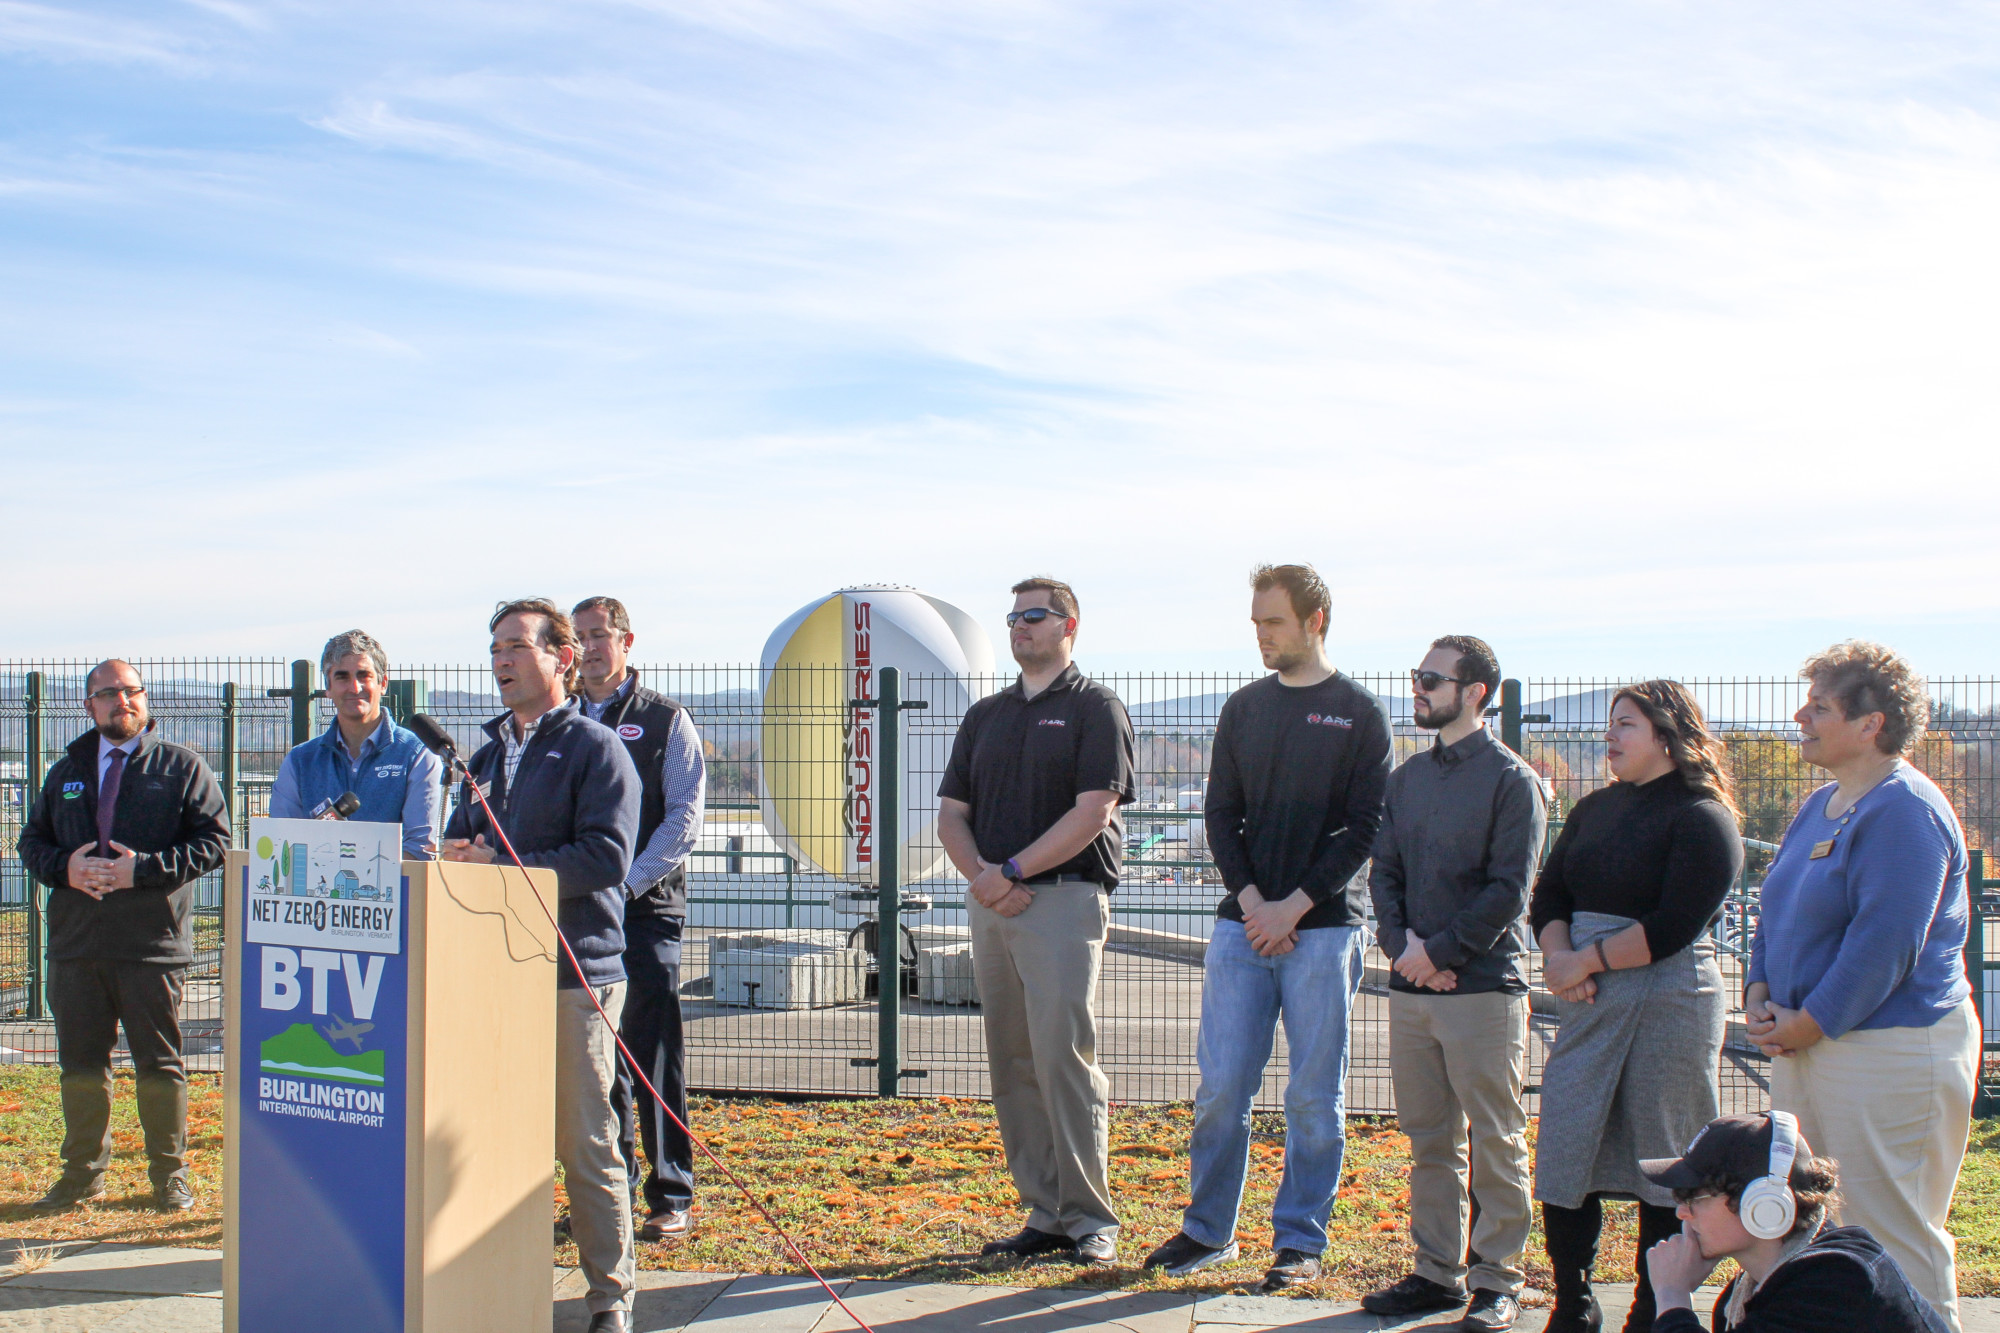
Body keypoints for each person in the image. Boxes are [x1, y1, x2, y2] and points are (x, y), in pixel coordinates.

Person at [1142, 564, 1392, 1292]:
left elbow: (1365, 828)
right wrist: (1254, 901)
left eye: (1273, 622)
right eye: (1255, 621)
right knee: (1222, 1088)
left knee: (1315, 1097)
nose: (1261, 635)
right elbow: (1221, 815)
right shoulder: (1244, 709)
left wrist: (1295, 906)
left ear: (1316, 620)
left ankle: (1298, 1242)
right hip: (1242, 930)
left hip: (1321, 932)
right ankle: (1206, 1230)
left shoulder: (1359, 713)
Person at [1745, 641, 1977, 1333]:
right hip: (1807, 1045)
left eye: (1820, 706)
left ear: (1872, 722)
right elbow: (1774, 907)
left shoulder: (1906, 809)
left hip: (1889, 1049)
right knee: (1820, 1229)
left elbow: (1887, 943)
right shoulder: (1822, 803)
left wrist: (1809, 1021)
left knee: (1891, 1231)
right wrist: (1759, 989)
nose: (1800, 716)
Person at [441, 599, 642, 1333]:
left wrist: (505, 863)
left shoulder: (595, 747)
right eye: (494, 647)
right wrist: (460, 856)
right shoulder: (487, 756)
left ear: (562, 656)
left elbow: (606, 857)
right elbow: (468, 837)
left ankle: (608, 1298)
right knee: (495, 1140)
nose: (501, 660)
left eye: (517, 646)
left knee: (586, 1142)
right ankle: (502, 1281)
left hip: (572, 976)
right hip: (493, 976)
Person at [1529, 681, 1745, 1333]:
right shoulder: (1595, 809)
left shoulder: (1705, 815)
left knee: (1665, 1156)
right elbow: (1548, 894)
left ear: (1668, 732)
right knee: (1566, 1148)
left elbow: (1677, 922)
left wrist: (1586, 962)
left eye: (1626, 723)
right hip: (1587, 999)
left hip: (1669, 1002)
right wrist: (1560, 955)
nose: (1610, 735)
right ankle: (1575, 1301)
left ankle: (1656, 1306)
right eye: (1611, 723)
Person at [937, 576, 1136, 1266]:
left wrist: (1014, 871)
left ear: (1068, 624)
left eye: (1034, 616)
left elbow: (1093, 811)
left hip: (1060, 900)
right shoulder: (986, 715)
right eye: (1013, 617)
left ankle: (1090, 1216)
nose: (1019, 626)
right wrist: (985, 880)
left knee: (1063, 1059)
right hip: (993, 902)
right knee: (1013, 1061)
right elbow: (951, 816)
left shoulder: (1095, 708)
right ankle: (1046, 1210)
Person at [1361, 635, 1546, 1330]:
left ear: (1475, 692)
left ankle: (1497, 1280)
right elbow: (1384, 873)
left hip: (1482, 993)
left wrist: (1437, 953)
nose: (1419, 688)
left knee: (1497, 1137)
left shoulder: (1512, 781)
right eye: (1417, 676)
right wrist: (1402, 949)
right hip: (1413, 991)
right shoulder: (1406, 780)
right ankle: (1436, 1272)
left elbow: (1508, 890)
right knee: (1431, 1140)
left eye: (1432, 678)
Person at [17, 660, 230, 1212]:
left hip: (150, 947)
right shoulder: (67, 771)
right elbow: (31, 843)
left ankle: (170, 1174)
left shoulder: (181, 768)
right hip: (76, 946)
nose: (122, 701)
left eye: (131, 691)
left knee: (159, 1064)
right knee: (82, 1065)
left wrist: (145, 870)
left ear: (145, 699)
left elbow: (214, 843)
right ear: (90, 706)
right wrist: (65, 869)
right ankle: (83, 1174)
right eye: (108, 694)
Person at [572, 595, 706, 1243]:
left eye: (601, 635)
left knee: (651, 1052)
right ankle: (610, 1188)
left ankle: (671, 1190)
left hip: (643, 912)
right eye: (580, 638)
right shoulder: (560, 722)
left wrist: (624, 883)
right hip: (576, 919)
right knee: (593, 1060)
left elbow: (682, 819)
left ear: (627, 641)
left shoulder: (663, 721)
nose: (591, 647)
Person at [1641, 1111, 1948, 1333]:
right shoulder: (1752, 1291)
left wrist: (1672, 1295)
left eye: (1692, 1198)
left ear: (1763, 1205)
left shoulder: (1834, 1282)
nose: (1681, 1213)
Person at [268, 629, 442, 858]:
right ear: (328, 688)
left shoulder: (417, 756)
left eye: (364, 675)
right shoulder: (300, 761)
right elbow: (280, 845)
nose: (354, 687)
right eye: (342, 677)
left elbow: (421, 851)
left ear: (383, 683)